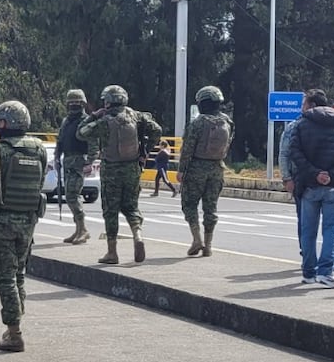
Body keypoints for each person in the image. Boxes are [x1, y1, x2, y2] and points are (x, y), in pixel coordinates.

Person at [0, 101, 47, 352]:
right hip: (28, 221)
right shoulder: (39, 148)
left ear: (5, 124)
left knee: (4, 279)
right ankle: (17, 319)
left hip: (1, 224)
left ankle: (14, 332)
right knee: (19, 274)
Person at [80, 85, 163, 265]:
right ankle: (138, 235)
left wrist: (95, 115)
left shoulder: (104, 121)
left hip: (111, 170)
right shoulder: (136, 116)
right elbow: (157, 130)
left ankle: (112, 252)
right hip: (133, 168)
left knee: (111, 211)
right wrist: (145, 151)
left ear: (108, 102)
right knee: (131, 206)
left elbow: (82, 132)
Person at [287, 89, 334, 289]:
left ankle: (308, 272)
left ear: (312, 106)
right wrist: (331, 175)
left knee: (308, 231)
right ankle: (326, 272)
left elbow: (294, 152)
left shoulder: (301, 125)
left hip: (308, 185)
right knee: (331, 230)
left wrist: (315, 173)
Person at [180, 85, 233, 257]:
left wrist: (181, 170)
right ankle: (208, 246)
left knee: (189, 204)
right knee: (211, 208)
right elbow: (229, 142)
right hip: (217, 168)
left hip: (196, 168)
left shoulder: (198, 122)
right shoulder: (227, 122)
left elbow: (187, 148)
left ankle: (197, 240)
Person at [55, 89, 93, 244]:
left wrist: (89, 161)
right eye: (71, 103)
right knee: (69, 195)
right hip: (67, 160)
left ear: (82, 103)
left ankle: (83, 229)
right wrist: (57, 156)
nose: (73, 106)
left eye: (77, 103)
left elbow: (93, 143)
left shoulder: (87, 121)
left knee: (73, 195)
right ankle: (78, 229)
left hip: (79, 160)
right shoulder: (66, 121)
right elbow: (60, 139)